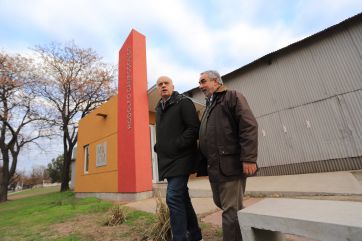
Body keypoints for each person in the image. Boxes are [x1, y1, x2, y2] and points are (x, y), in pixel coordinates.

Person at [198, 70, 258, 241]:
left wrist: (249, 157)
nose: (200, 86)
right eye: (199, 82)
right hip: (214, 166)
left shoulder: (232, 96)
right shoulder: (209, 106)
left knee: (230, 210)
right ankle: (246, 232)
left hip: (230, 164)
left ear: (216, 82)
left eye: (203, 81)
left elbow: (249, 126)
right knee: (223, 204)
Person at [154, 76, 203, 241]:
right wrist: (158, 146)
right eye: (160, 84)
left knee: (173, 196)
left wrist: (176, 145)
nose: (163, 86)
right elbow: (162, 134)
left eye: (166, 83)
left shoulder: (183, 102)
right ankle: (196, 236)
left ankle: (179, 238)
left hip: (182, 157)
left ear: (172, 86)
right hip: (167, 160)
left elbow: (193, 129)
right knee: (182, 197)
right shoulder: (159, 109)